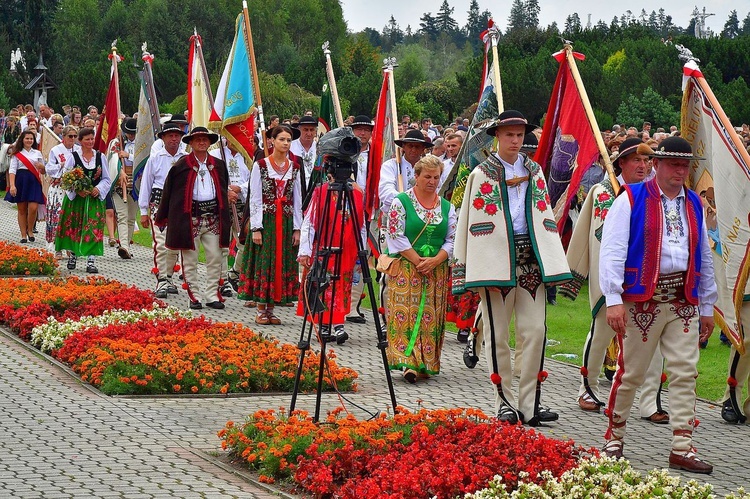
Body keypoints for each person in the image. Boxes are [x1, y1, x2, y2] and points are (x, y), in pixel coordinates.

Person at [600, 136, 717, 474]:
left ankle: (682, 446)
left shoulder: (694, 203)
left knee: (685, 371)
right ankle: (615, 437)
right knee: (631, 372)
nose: (681, 171)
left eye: (686, 165)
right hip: (641, 302)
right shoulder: (631, 200)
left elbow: (704, 257)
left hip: (682, 300)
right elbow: (612, 252)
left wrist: (707, 305)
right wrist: (613, 300)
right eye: (675, 164)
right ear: (658, 164)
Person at [453, 110, 572, 426]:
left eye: (520, 135)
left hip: (531, 263)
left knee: (535, 332)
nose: (515, 140)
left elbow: (544, 218)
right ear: (498, 136)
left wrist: (552, 260)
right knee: (497, 336)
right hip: (497, 267)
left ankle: (530, 404)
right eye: (509, 135)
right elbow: (474, 223)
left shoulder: (535, 172)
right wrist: (481, 267)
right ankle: (504, 402)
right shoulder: (482, 175)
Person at [563, 137, 669, 422]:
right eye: (636, 160)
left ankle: (650, 402)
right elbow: (592, 233)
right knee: (601, 333)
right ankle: (588, 387)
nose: (643, 166)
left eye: (648, 161)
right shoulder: (602, 192)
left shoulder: (656, 194)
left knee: (655, 339)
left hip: (647, 276)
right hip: (610, 276)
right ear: (621, 162)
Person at [385, 155, 456, 382]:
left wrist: (436, 260)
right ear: (416, 177)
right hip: (408, 267)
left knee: (430, 315)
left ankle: (426, 360)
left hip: (436, 269)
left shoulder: (447, 206)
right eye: (427, 176)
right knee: (406, 312)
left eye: (436, 177)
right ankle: (408, 362)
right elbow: (395, 234)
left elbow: (452, 238)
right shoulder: (401, 201)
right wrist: (418, 261)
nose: (432, 181)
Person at [155, 127, 231, 310]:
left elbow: (223, 189)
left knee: (215, 257)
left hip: (213, 218)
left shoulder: (219, 165)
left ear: (209, 142)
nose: (202, 142)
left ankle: (212, 294)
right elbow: (169, 192)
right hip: (191, 220)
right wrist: (164, 216)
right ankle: (194, 295)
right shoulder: (181, 165)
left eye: (205, 139)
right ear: (191, 143)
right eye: (198, 139)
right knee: (190, 260)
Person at [238, 125, 302, 324]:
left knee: (281, 261)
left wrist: (297, 228)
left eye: (288, 140)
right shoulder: (261, 165)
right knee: (264, 262)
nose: (285, 143)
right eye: (281, 139)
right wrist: (256, 228)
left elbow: (297, 199)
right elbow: (255, 198)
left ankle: (272, 309)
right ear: (271, 141)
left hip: (286, 220)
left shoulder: (296, 167)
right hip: (266, 221)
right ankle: (260, 309)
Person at [297, 165, 365, 345]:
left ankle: (338, 322)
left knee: (342, 285)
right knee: (324, 285)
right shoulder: (321, 192)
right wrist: (305, 250)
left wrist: (361, 251)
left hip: (347, 250)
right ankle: (325, 324)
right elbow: (309, 222)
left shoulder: (357, 195)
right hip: (324, 247)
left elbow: (362, 226)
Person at [139, 122, 187, 298]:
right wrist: (143, 211)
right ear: (163, 138)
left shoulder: (187, 158)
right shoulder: (155, 158)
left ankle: (169, 277)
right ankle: (161, 280)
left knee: (175, 244)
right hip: (159, 204)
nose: (174, 139)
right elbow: (146, 184)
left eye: (177, 136)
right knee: (160, 243)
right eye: (170, 136)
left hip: (180, 204)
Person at [56, 127, 112, 272]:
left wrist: (98, 188)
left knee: (92, 228)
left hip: (94, 200)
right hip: (77, 200)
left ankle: (91, 261)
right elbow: (66, 178)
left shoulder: (100, 157)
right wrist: (77, 189)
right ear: (80, 141)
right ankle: (73, 254)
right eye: (87, 139)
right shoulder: (73, 157)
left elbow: (106, 178)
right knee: (76, 226)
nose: (90, 142)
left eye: (92, 139)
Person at [210, 139, 250, 296]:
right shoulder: (215, 155)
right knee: (222, 244)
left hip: (241, 204)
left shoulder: (246, 156)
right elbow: (213, 178)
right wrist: (226, 191)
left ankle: (235, 272)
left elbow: (252, 179)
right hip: (222, 204)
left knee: (245, 241)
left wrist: (240, 188)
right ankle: (222, 280)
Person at [346, 115, 374, 324]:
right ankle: (339, 302)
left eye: (366, 129)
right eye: (359, 129)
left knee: (361, 258)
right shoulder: (345, 151)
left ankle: (354, 306)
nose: (362, 133)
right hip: (347, 211)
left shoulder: (378, 154)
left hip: (370, 212)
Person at [45, 125, 81, 255]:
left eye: (75, 136)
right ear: (64, 137)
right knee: (58, 216)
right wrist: (61, 165)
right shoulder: (56, 150)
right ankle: (57, 247)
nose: (72, 139)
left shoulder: (78, 150)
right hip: (59, 187)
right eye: (70, 136)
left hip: (73, 188)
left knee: (71, 217)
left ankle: (70, 246)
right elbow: (49, 168)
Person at [5, 130, 46, 243]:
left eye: (31, 139)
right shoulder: (17, 154)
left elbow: (43, 171)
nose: (29, 140)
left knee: (33, 208)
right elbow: (12, 170)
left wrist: (42, 166)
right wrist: (12, 185)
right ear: (22, 140)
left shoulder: (37, 153)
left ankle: (30, 230)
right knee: (22, 209)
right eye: (27, 138)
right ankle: (23, 234)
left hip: (34, 181)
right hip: (21, 181)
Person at [110, 118, 139, 259]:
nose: (131, 136)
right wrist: (119, 168)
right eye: (129, 133)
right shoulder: (117, 143)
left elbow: (145, 159)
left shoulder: (142, 144)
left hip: (135, 182)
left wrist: (129, 155)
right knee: (122, 215)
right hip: (119, 183)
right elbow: (111, 160)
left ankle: (127, 244)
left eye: (133, 133)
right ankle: (124, 246)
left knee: (131, 217)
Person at [289, 115, 317, 205]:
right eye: (305, 130)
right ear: (299, 129)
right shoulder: (290, 147)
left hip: (315, 190)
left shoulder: (320, 148)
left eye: (311, 130)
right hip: (296, 190)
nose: (309, 133)